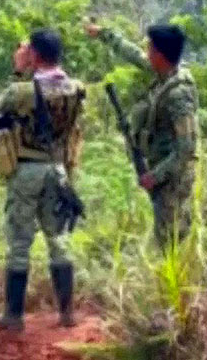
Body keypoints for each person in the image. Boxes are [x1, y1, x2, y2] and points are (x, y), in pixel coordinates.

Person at [0, 29, 86, 331]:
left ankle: (14, 316)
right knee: (58, 239)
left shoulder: (23, 91)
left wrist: (19, 70)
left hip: (28, 170)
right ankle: (67, 314)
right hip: (58, 170)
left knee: (20, 240)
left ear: (35, 55)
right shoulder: (76, 88)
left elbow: (1, 105)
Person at [85, 22, 199, 248]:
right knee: (166, 236)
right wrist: (104, 34)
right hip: (161, 172)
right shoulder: (165, 73)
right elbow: (133, 55)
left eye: (150, 49)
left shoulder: (178, 93)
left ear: (159, 54)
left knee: (172, 241)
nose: (146, 53)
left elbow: (186, 148)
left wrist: (154, 176)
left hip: (172, 179)